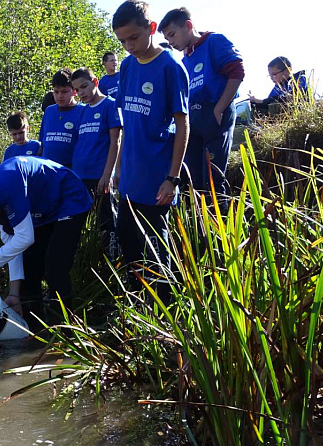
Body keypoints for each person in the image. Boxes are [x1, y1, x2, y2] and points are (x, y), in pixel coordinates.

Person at [0, 158, 92, 320]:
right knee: (30, 268)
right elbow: (12, 242)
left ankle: (63, 332)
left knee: (55, 267)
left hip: (69, 198)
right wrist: (14, 293)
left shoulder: (5, 182)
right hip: (45, 210)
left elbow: (25, 238)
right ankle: (34, 327)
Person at [112, 0, 190, 299]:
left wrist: (172, 178)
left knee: (157, 248)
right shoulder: (128, 65)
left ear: (152, 29)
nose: (128, 46)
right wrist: (119, 168)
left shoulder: (172, 67)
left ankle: (166, 311)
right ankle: (136, 307)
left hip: (158, 175)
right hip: (130, 175)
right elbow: (126, 122)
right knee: (128, 243)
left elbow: (183, 126)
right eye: (122, 41)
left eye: (133, 37)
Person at [160, 7, 244, 205]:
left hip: (214, 114)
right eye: (167, 37)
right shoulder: (186, 60)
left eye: (172, 35)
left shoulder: (214, 41)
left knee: (214, 178)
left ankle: (222, 228)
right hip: (193, 122)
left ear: (188, 26)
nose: (171, 42)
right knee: (194, 180)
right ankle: (200, 232)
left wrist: (219, 108)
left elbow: (237, 72)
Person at [69, 67, 122, 261]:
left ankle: (113, 263)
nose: (81, 92)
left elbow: (116, 141)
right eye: (77, 90)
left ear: (96, 82)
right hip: (80, 175)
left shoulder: (110, 105)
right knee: (77, 222)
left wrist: (107, 175)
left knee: (107, 223)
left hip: (99, 176)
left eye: (84, 86)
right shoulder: (82, 112)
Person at [38, 68, 85, 168]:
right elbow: (43, 143)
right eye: (56, 92)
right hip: (47, 169)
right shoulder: (49, 111)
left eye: (64, 92)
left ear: (74, 91)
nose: (60, 96)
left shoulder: (83, 111)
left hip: (71, 170)